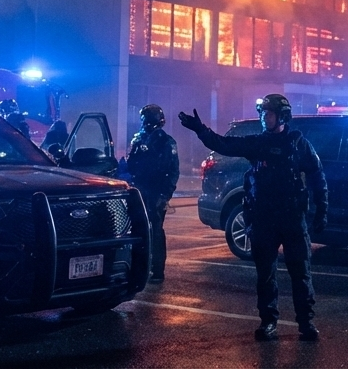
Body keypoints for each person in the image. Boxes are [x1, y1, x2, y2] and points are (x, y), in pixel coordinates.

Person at [179, 94, 328, 342]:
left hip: (292, 218)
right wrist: (199, 129)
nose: (263, 117)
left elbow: (317, 176)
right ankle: (269, 322)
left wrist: (322, 209)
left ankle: (306, 323)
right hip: (263, 218)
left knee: (301, 273)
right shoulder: (257, 143)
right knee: (265, 275)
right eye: (262, 113)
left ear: (281, 116)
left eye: (268, 114)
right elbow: (223, 144)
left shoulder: (298, 143)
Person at [128, 105, 179, 282]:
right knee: (139, 231)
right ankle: (141, 267)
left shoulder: (166, 142)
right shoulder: (139, 139)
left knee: (155, 231)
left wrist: (165, 196)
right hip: (139, 190)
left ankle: (157, 270)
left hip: (156, 192)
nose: (142, 122)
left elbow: (173, 171)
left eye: (145, 118)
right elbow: (131, 165)